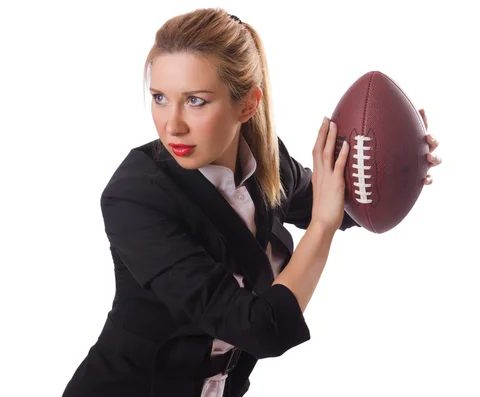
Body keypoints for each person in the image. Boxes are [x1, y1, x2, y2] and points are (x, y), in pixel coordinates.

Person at [61, 8, 441, 397]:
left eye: (195, 100)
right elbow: (260, 327)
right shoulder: (136, 196)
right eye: (160, 98)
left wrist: (395, 166)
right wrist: (322, 226)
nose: (171, 124)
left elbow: (339, 200)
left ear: (247, 104)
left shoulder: (266, 164)